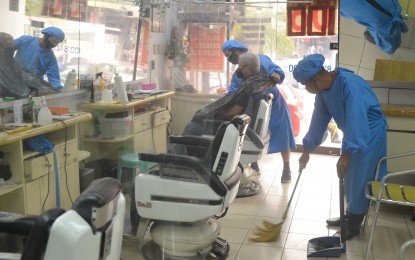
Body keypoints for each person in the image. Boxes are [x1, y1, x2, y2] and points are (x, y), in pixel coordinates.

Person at [293, 53, 387, 240]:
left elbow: (356, 119)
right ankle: (350, 214)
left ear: (315, 78)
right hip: (355, 131)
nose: (306, 88)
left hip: (369, 131)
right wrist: (307, 149)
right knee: (349, 175)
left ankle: (354, 223)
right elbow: (318, 121)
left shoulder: (349, 84)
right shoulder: (323, 93)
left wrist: (346, 154)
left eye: (306, 84)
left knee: (357, 175)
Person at [222, 40, 296, 183]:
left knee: (282, 134)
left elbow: (278, 72)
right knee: (253, 134)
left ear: (236, 51)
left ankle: (287, 168)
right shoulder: (238, 73)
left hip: (274, 104)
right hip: (253, 108)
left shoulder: (261, 60)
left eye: (229, 55)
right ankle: (254, 164)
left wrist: (275, 76)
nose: (229, 59)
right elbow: (233, 90)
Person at [182, 52, 273, 138]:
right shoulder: (260, 83)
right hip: (242, 125)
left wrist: (216, 116)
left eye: (240, 66)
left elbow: (235, 111)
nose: (239, 69)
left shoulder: (249, 86)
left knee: (191, 127)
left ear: (248, 67)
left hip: (234, 128)